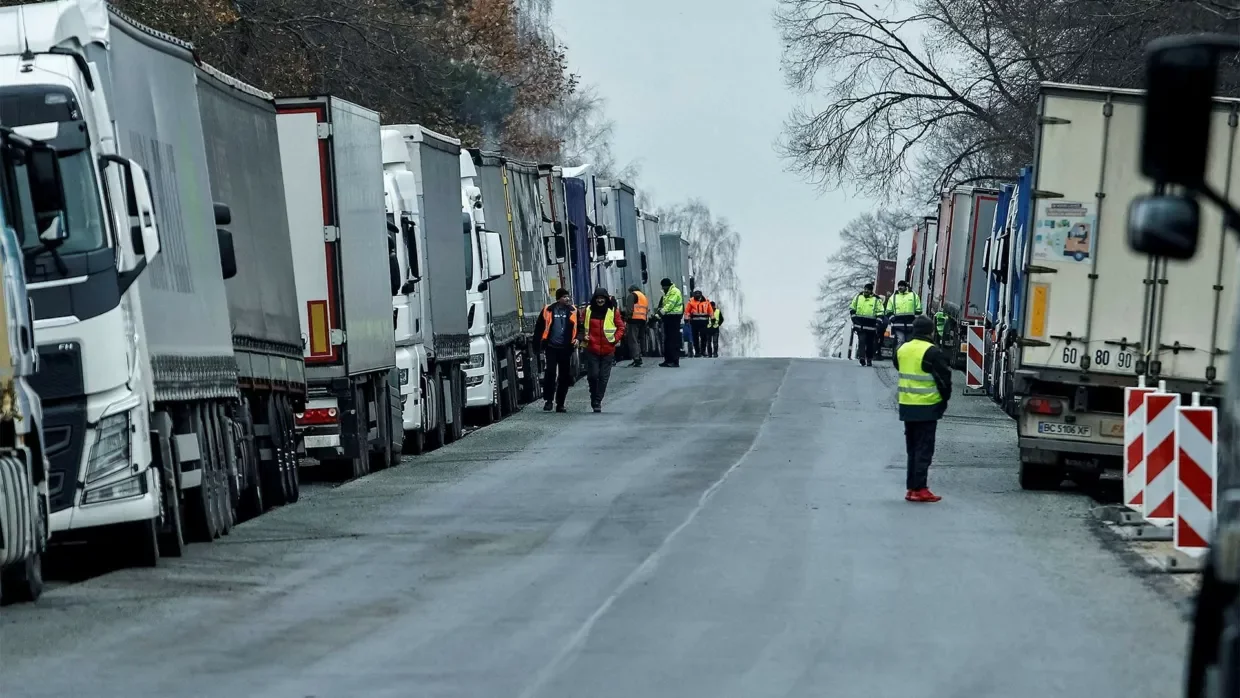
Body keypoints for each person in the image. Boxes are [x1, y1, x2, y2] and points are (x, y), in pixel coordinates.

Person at [897, 315, 952, 502]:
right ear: (931, 331)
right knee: (924, 449)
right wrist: (944, 401)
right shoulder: (931, 352)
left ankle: (912, 488)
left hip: (906, 406)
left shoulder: (902, 349)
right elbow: (944, 380)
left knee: (912, 449)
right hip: (927, 406)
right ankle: (920, 488)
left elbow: (899, 366)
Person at [580, 287, 626, 412]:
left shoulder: (613, 311)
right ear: (595, 299)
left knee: (603, 377)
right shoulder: (588, 311)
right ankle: (593, 396)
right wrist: (582, 336)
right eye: (598, 298)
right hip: (592, 348)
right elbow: (580, 326)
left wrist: (614, 339)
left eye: (602, 298)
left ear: (606, 299)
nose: (600, 300)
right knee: (593, 376)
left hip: (608, 350)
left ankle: (597, 402)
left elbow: (621, 327)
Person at [533, 288, 576, 413]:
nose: (567, 299)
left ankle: (560, 403)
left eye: (568, 296)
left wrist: (578, 339)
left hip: (566, 349)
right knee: (550, 373)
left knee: (564, 376)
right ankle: (548, 401)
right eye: (564, 297)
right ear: (558, 299)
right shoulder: (548, 310)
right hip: (551, 347)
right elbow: (539, 328)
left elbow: (579, 327)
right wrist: (537, 346)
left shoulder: (573, 311)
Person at [885, 280, 923, 365]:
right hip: (898, 325)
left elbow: (919, 310)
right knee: (900, 341)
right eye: (899, 286)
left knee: (910, 342)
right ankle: (898, 359)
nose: (900, 287)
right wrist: (893, 319)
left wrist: (915, 321)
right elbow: (888, 311)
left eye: (902, 286)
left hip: (910, 325)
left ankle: (908, 359)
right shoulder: (893, 297)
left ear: (906, 287)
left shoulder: (913, 296)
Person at [849, 282, 883, 366]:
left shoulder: (877, 300)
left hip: (871, 326)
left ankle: (869, 359)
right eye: (865, 289)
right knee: (861, 341)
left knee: (870, 344)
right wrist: (854, 319)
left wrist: (878, 323)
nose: (866, 291)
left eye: (868, 289)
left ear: (871, 291)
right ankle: (862, 358)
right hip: (859, 325)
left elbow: (880, 312)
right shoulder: (858, 297)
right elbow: (852, 308)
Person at [656, 278, 684, 367]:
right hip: (668, 318)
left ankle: (674, 360)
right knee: (668, 339)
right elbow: (664, 305)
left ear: (667, 285)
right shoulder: (667, 292)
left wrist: (659, 314)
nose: (663, 288)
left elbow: (669, 305)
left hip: (674, 318)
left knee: (673, 339)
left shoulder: (674, 292)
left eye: (663, 286)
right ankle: (668, 360)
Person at [624, 284, 648, 367]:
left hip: (633, 320)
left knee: (633, 339)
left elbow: (630, 308)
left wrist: (626, 318)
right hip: (642, 320)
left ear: (631, 290)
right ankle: (640, 355)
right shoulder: (643, 296)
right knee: (639, 339)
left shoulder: (632, 295)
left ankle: (636, 358)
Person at [685, 290, 712, 357]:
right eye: (695, 294)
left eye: (698, 294)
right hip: (694, 322)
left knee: (704, 337)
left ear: (701, 295)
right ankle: (697, 352)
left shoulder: (706, 301)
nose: (697, 295)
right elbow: (687, 311)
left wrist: (712, 318)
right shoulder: (691, 301)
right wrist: (686, 318)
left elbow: (710, 311)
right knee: (695, 338)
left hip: (704, 322)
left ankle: (703, 351)